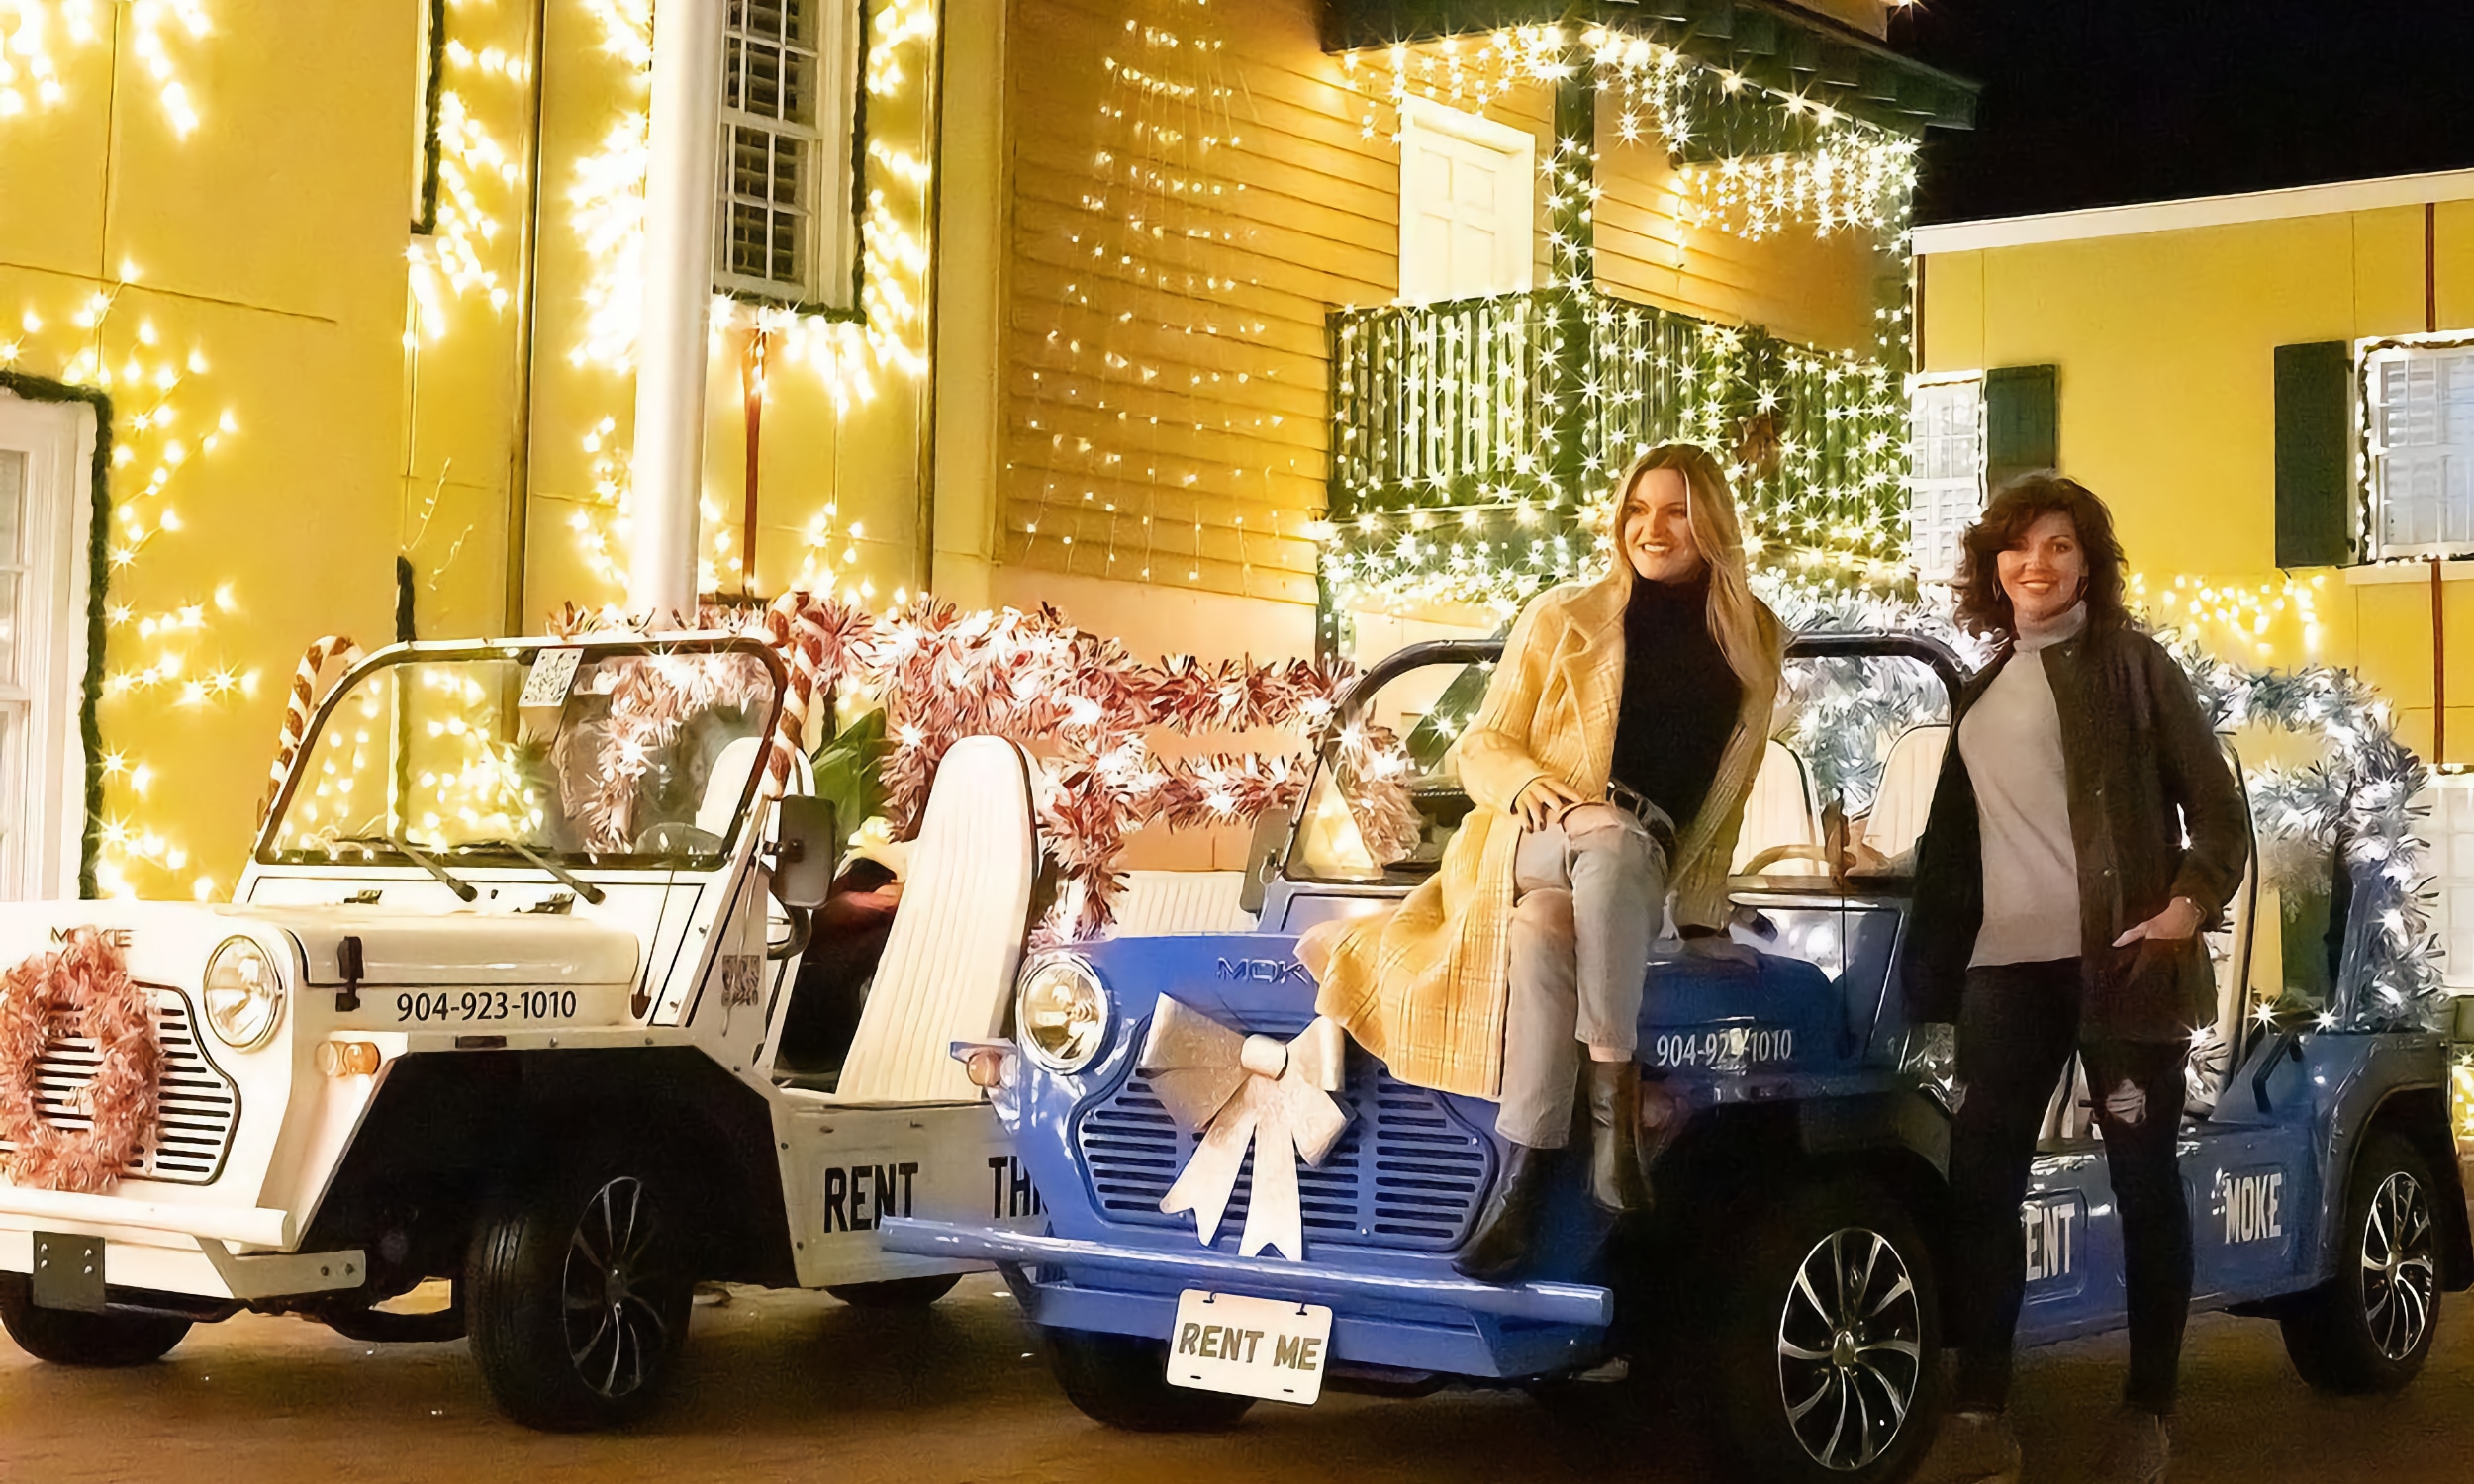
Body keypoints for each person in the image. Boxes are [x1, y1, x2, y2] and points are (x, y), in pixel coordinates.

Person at [1307, 443, 1783, 1282]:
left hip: (1633, 861)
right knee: (1596, 850)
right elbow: (1480, 744)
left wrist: (1704, 918)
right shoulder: (1565, 615)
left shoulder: (1754, 640)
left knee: (1545, 929)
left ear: (1711, 520)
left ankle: (1519, 1190)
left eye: (1675, 511)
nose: (1652, 528)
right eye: (1638, 511)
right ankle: (1614, 1113)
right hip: (1537, 830)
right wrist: (1534, 785)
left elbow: (1728, 800)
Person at [1905, 475, 2247, 1484]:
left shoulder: (2134, 667)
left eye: (2059, 546)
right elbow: (1965, 845)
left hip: (2122, 962)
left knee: (2143, 1186)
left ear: (2088, 563)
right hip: (2003, 971)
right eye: (2018, 547)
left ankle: (2146, 1411)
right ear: (1993, 566)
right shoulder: (1982, 685)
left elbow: (2218, 815)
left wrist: (2185, 908)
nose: (2036, 564)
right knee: (1979, 1188)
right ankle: (1979, 1418)